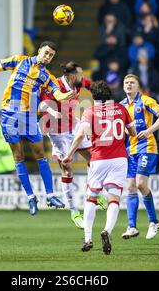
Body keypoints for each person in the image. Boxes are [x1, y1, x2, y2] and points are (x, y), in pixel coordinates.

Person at [0, 41, 75, 216]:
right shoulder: (19, 61)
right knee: (18, 156)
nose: (47, 57)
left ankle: (50, 195)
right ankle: (31, 197)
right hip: (10, 115)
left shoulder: (47, 76)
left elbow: (57, 94)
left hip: (30, 117)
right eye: (46, 53)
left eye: (51, 56)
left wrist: (66, 95)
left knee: (40, 154)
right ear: (39, 50)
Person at [62, 81, 137, 255]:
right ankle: (107, 231)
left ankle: (88, 238)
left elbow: (81, 134)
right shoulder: (121, 109)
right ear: (109, 95)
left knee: (91, 198)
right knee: (114, 199)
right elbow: (132, 133)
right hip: (119, 159)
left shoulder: (90, 112)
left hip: (99, 159)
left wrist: (69, 154)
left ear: (93, 96)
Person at [39, 62, 107, 229]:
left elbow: (93, 86)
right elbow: (42, 104)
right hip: (56, 130)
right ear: (70, 76)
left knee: (94, 158)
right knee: (67, 167)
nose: (82, 77)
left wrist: (103, 100)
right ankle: (74, 211)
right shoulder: (54, 84)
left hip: (73, 125)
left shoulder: (79, 82)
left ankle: (93, 190)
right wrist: (52, 111)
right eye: (79, 74)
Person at [119, 74, 159, 240]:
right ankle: (132, 227)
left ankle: (153, 222)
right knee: (131, 187)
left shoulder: (146, 101)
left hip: (147, 147)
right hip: (130, 150)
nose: (128, 85)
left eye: (132, 83)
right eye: (126, 83)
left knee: (141, 183)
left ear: (138, 86)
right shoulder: (121, 106)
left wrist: (149, 131)